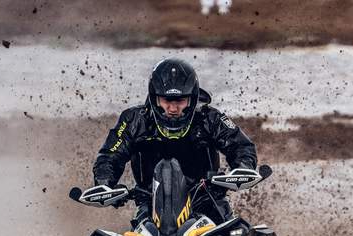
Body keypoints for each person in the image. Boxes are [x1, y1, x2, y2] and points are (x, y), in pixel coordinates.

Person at [93, 57, 257, 225]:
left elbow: (240, 145)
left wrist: (243, 168)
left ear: (192, 98)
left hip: (207, 200)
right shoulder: (133, 120)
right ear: (155, 98)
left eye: (179, 101)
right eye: (167, 100)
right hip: (151, 204)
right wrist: (105, 183)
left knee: (240, 232)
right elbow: (110, 155)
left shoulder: (210, 117)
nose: (173, 108)